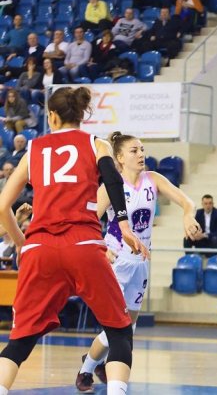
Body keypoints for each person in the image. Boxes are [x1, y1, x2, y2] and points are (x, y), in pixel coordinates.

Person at [0, 87, 148, 395]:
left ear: (51, 116)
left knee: (20, 341)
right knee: (120, 331)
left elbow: (2, 207)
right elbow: (112, 179)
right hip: (83, 245)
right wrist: (125, 225)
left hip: (40, 249)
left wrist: (22, 242)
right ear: (81, 115)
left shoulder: (34, 149)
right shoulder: (96, 143)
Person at [76, 131, 199, 392]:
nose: (141, 154)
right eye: (134, 151)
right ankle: (87, 370)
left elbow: (186, 200)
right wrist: (100, 249)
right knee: (117, 329)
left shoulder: (153, 180)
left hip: (141, 262)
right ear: (119, 157)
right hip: (115, 262)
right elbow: (85, 224)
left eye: (142, 149)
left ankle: (92, 363)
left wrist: (188, 214)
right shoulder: (110, 186)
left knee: (127, 328)